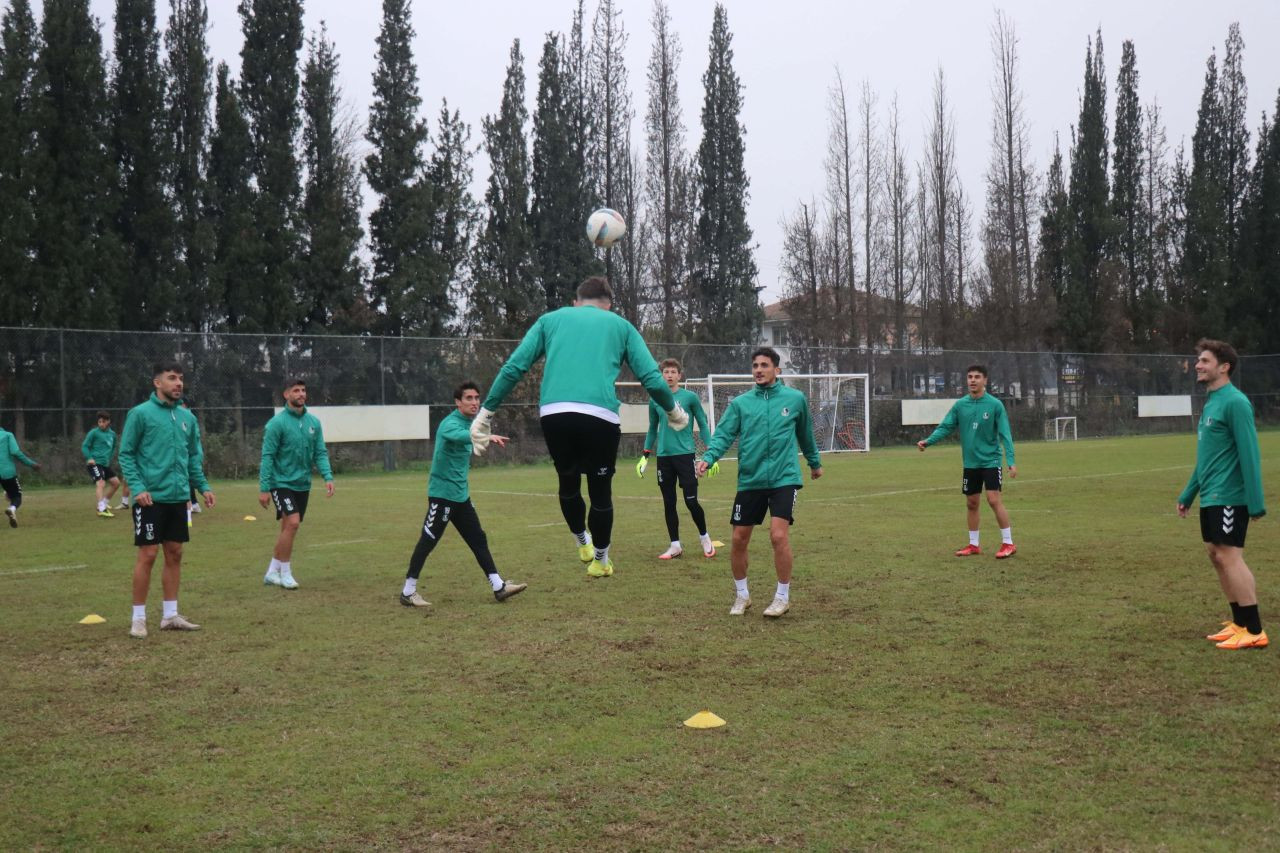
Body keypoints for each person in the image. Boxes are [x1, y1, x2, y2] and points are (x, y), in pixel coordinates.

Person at [470, 276, 688, 577]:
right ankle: (600, 560)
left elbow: (514, 367)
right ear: (608, 306)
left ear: (576, 302)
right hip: (600, 416)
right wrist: (674, 411)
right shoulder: (620, 326)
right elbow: (651, 378)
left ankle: (581, 541)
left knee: (568, 482)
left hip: (555, 413)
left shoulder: (551, 320)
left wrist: (485, 413)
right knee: (600, 494)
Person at [696, 347, 822, 617]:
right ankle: (742, 596)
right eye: (755, 365)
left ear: (777, 370)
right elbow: (723, 435)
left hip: (784, 478)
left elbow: (805, 434)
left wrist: (814, 463)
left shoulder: (795, 399)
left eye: (764, 365)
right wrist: (709, 457)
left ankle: (782, 597)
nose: (759, 370)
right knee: (739, 539)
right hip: (750, 480)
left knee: (778, 536)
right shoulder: (741, 404)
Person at [401, 381, 527, 608]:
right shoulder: (449, 424)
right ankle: (408, 592)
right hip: (442, 496)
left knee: (478, 539)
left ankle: (499, 586)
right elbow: (463, 435)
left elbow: (470, 436)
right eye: (469, 398)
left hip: (461, 496)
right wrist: (485, 437)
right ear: (457, 402)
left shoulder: (471, 424)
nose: (474, 402)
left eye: (477, 398)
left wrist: (481, 435)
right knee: (428, 541)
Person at [1177, 339, 1268, 650]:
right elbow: (1207, 458)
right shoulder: (1212, 402)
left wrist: (1255, 501)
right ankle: (1240, 623)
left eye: (1204, 360)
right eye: (1199, 360)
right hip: (1212, 495)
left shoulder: (1236, 402)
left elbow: (1250, 453)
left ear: (1224, 366)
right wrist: (1189, 493)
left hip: (1231, 496)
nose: (1198, 366)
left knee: (1230, 557)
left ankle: (1254, 630)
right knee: (1217, 556)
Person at [118, 362, 215, 639]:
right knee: (148, 554)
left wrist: (203, 487)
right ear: (157, 383)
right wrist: (138, 488)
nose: (178, 383)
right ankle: (138, 619)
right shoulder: (140, 414)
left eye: (181, 379)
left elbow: (193, 457)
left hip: (178, 497)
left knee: (175, 553)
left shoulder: (188, 419)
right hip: (149, 499)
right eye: (172, 378)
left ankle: (170, 616)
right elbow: (126, 454)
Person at [916, 364, 1018, 559]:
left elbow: (1005, 434)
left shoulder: (995, 405)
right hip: (970, 463)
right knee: (972, 503)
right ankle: (973, 545)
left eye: (977, 377)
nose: (972, 380)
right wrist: (928, 441)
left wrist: (1011, 461)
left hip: (991, 461)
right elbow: (946, 427)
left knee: (993, 499)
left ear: (985, 380)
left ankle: (1008, 543)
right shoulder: (961, 405)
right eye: (970, 376)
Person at [637, 357, 718, 559]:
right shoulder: (655, 399)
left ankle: (705, 538)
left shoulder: (689, 397)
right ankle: (675, 545)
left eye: (673, 372)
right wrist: (645, 455)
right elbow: (652, 428)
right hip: (664, 458)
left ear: (679, 375)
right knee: (669, 502)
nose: (670, 375)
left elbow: (703, 422)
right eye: (666, 372)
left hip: (685, 457)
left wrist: (711, 453)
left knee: (691, 501)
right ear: (661, 375)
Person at [258, 379, 334, 590]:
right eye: (296, 391)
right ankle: (286, 573)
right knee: (293, 523)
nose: (301, 394)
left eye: (303, 390)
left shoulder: (313, 423)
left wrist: (327, 476)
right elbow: (267, 456)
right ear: (286, 395)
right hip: (280, 483)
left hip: (302, 483)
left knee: (287, 528)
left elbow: (320, 452)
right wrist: (264, 488)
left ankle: (271, 572)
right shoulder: (277, 424)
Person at [82, 411, 130, 517]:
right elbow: (85, 446)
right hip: (94, 464)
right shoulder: (94, 433)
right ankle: (101, 509)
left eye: (103, 422)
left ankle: (103, 503)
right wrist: (89, 457)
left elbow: (113, 448)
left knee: (116, 483)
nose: (101, 424)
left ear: (108, 422)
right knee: (101, 483)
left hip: (104, 464)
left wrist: (109, 458)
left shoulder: (112, 434)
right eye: (99, 422)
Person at [0, 425, 40, 528]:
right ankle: (12, 509)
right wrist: (31, 464)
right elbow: (15, 452)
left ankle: (8, 495)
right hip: (7, 472)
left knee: (8, 492)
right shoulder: (8, 435)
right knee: (16, 496)